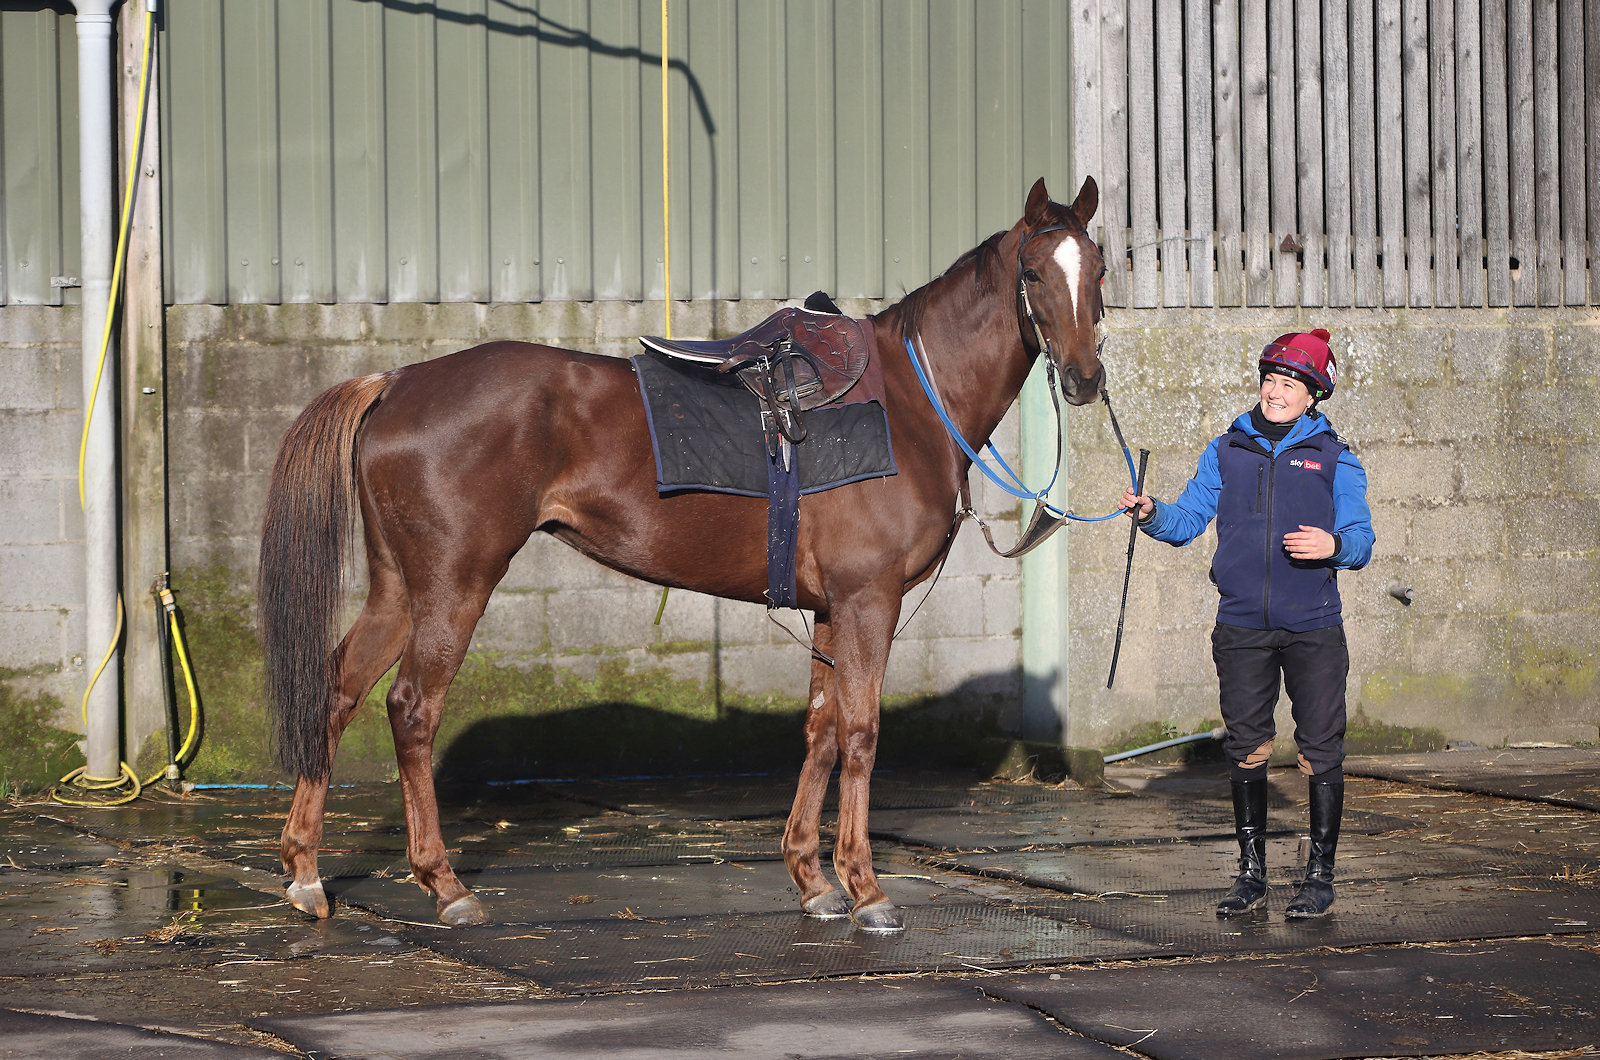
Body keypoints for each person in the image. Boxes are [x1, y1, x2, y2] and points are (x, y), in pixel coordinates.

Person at [1119, 328, 1374, 919]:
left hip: (1313, 627)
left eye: (1290, 384)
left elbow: (1361, 540)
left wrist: (1333, 545)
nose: (1276, 392)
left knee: (1321, 749)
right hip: (1240, 628)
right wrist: (1151, 512)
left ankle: (1319, 877)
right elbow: (1187, 521)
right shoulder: (1225, 450)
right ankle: (1251, 874)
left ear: (1313, 395)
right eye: (1270, 380)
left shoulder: (1336, 457)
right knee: (1246, 747)